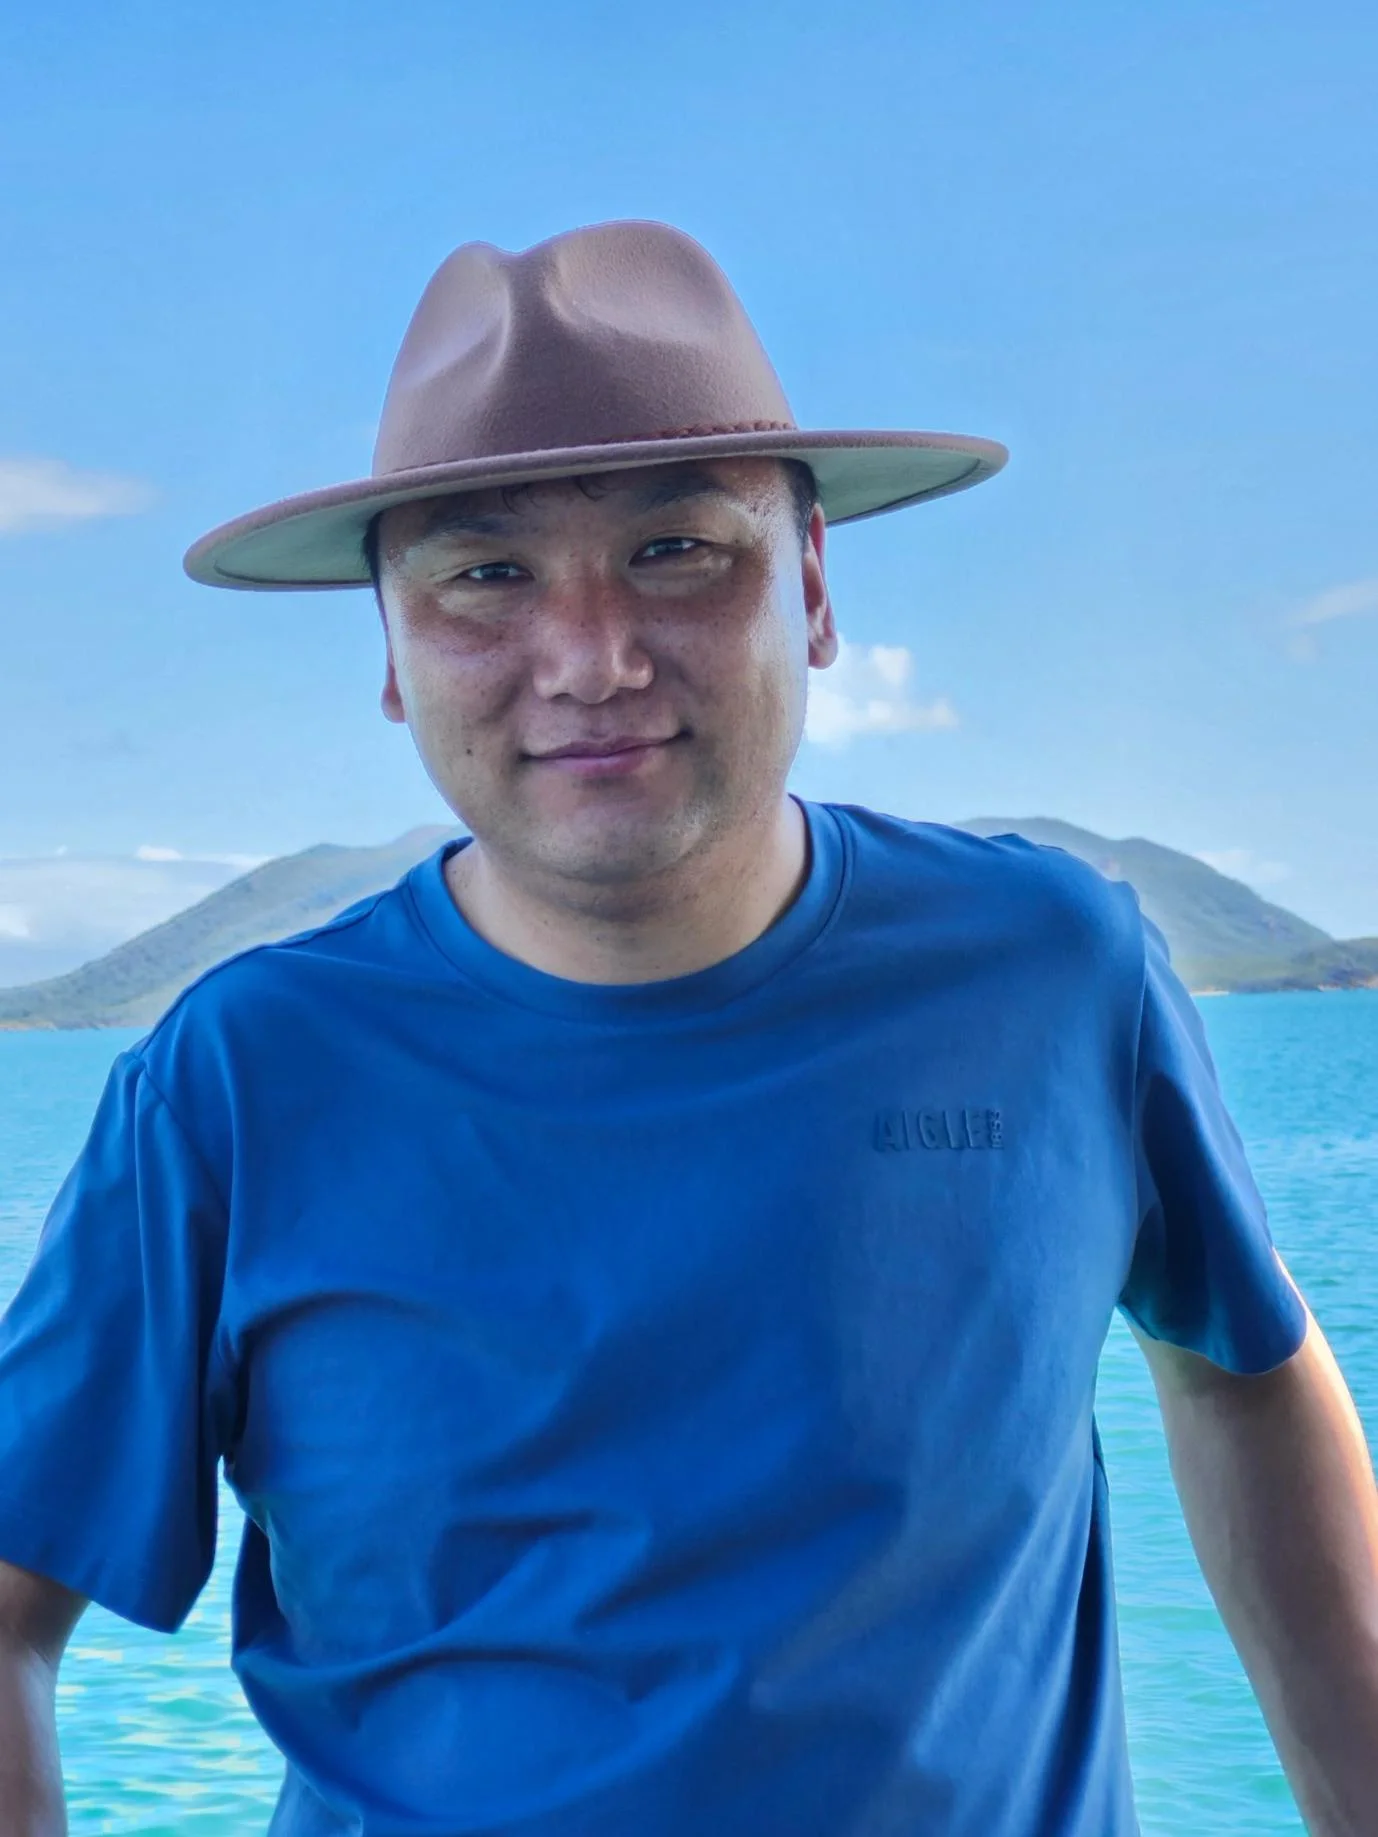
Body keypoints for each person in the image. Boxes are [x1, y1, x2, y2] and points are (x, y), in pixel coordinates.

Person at [0, 219, 1374, 1837]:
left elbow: (1241, 1368)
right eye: (484, 576)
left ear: (811, 588)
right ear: (389, 647)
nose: (592, 659)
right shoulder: (239, 1083)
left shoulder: (1053, 972)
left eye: (677, 549)